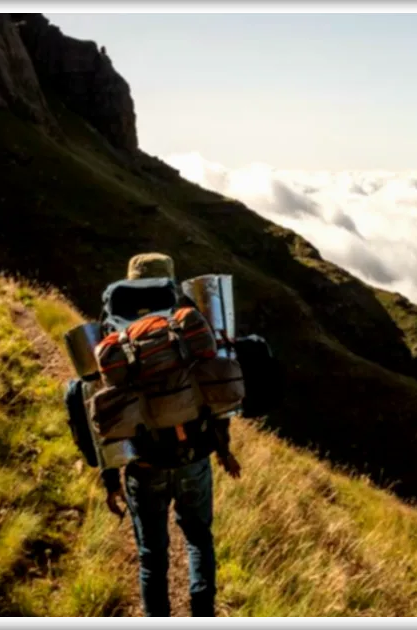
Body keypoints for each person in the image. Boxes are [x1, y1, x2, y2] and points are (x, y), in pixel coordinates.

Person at [99, 252, 242, 618]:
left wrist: (110, 479)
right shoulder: (188, 325)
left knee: (152, 558)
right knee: (198, 539)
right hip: (194, 454)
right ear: (170, 280)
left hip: (145, 463)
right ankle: (202, 612)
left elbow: (101, 411)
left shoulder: (115, 334)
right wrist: (224, 451)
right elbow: (213, 392)